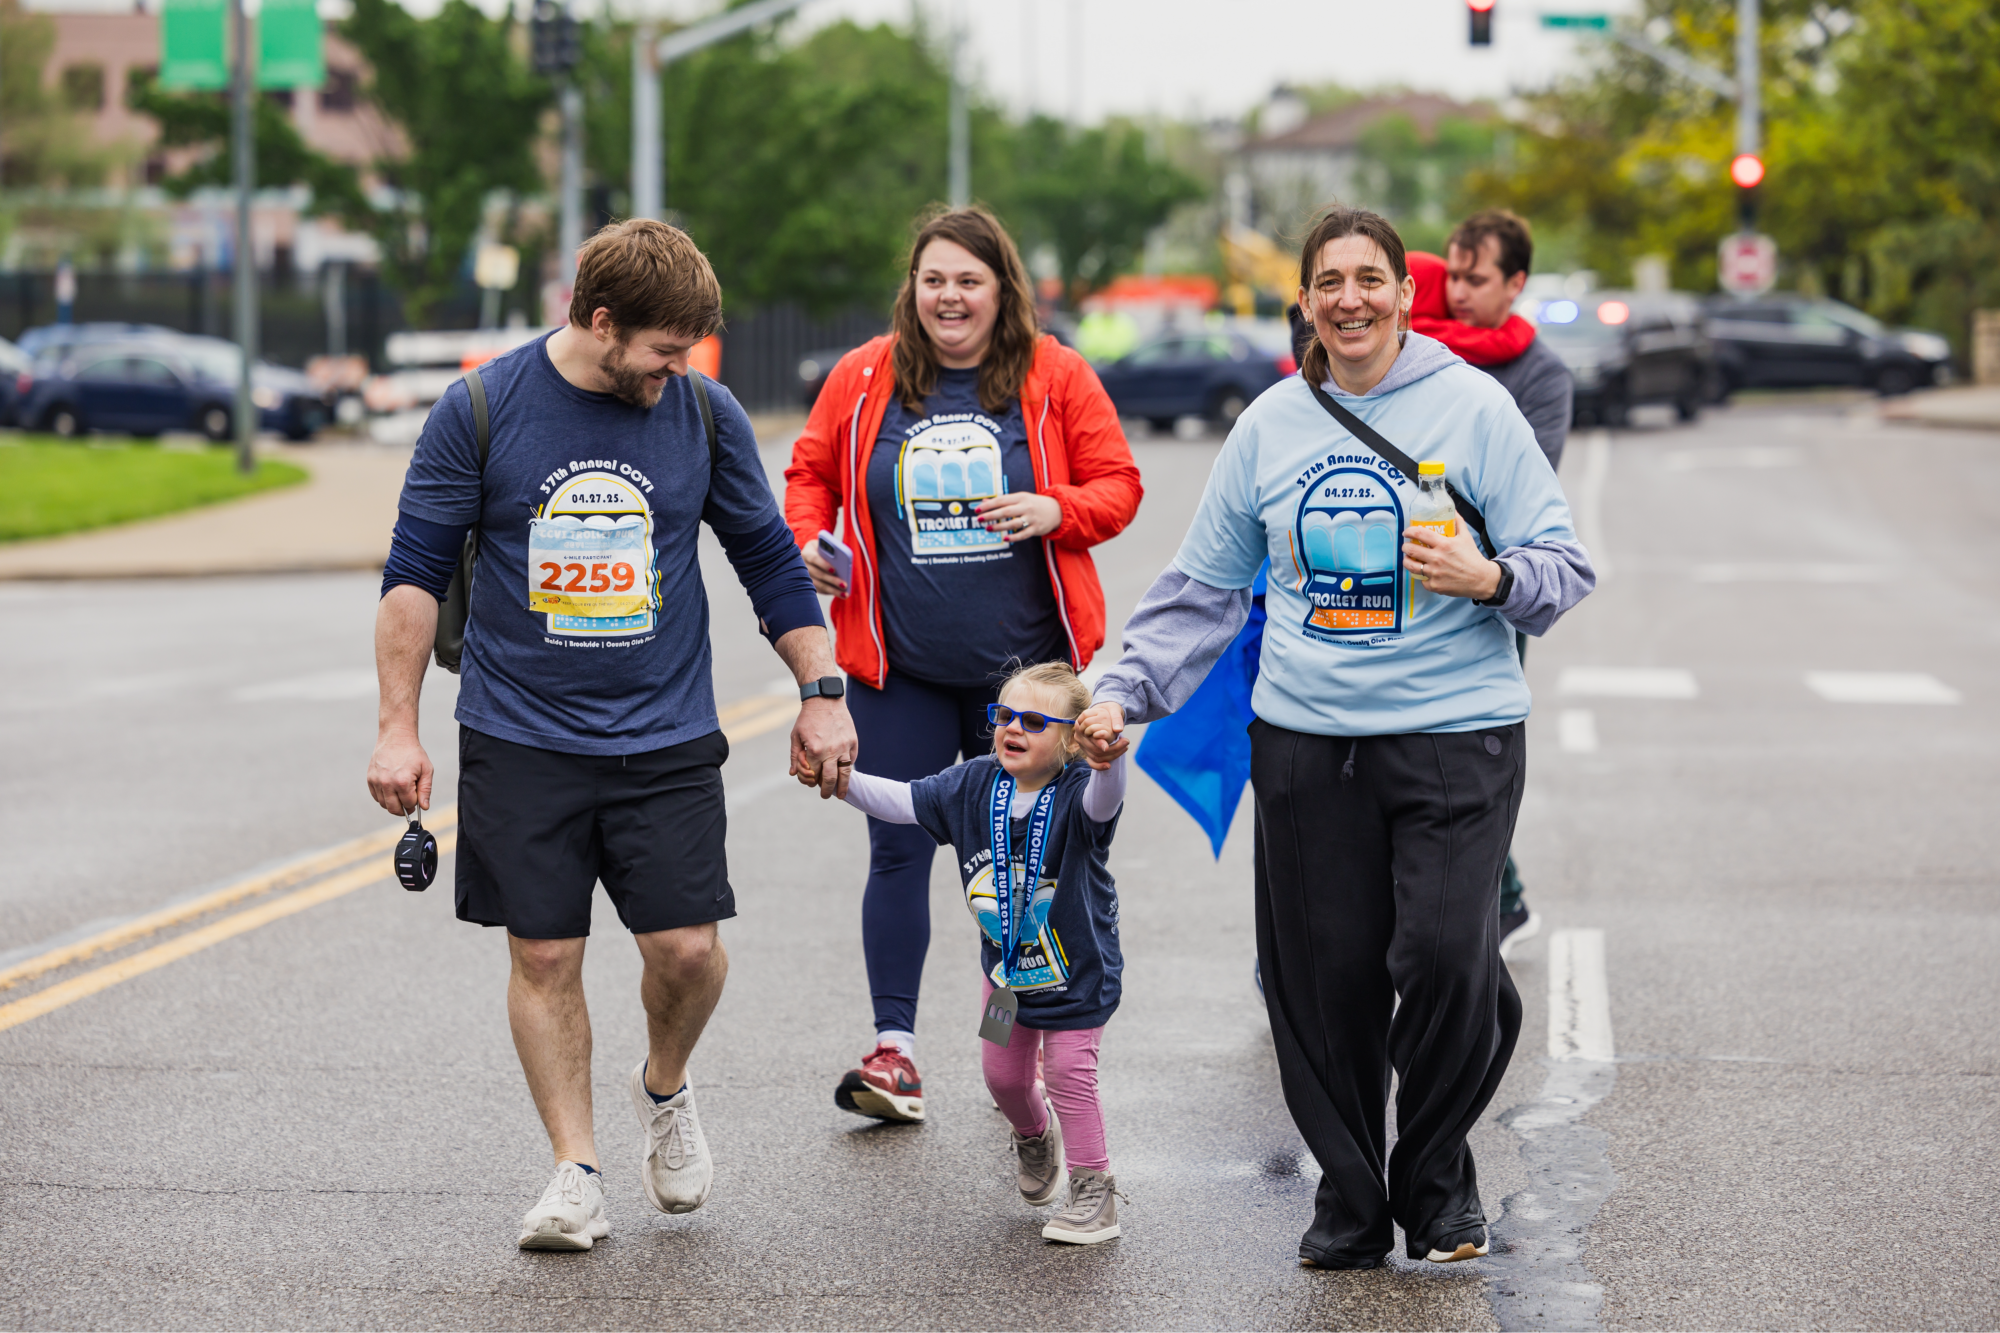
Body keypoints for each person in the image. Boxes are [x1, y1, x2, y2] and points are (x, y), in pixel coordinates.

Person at [1077, 205, 1594, 1269]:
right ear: (1303, 301)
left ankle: (1433, 1171)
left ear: (1407, 295)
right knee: (1326, 981)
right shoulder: (1268, 424)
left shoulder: (1475, 410)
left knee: (1450, 960)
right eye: (1330, 282)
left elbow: (1561, 566)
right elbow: (1203, 588)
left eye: (1371, 278)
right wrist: (1121, 691)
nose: (1350, 299)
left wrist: (1487, 577)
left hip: (1457, 733)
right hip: (1307, 744)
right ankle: (1355, 1199)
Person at [367, 219, 857, 1251]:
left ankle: (664, 1088)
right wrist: (397, 728)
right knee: (544, 951)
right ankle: (574, 1170)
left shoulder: (702, 414)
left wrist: (821, 687)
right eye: (662, 351)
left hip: (665, 733)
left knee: (687, 951)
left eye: (687, 353)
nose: (675, 371)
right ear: (597, 321)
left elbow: (766, 558)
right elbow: (413, 573)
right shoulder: (483, 409)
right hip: (519, 733)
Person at [784, 206, 1142, 1123]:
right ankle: (894, 1052)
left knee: (1028, 861)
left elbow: (1119, 485)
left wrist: (1055, 509)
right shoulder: (863, 378)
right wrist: (810, 546)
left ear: (1001, 290)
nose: (950, 296)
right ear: (913, 288)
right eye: (934, 279)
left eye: (969, 280)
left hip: (1020, 680)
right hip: (895, 663)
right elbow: (810, 475)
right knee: (897, 844)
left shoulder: (1054, 375)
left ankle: (1016, 1041)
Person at [832, 661, 1130, 1244]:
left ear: (1071, 739)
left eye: (1035, 722)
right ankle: (1034, 1135)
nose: (1013, 728)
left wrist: (1107, 763)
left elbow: (1104, 799)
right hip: (1007, 979)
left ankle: (1094, 1192)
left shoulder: (1078, 791)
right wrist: (841, 781)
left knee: (1070, 1073)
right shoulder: (972, 784)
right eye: (1005, 715)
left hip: (1077, 976)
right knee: (1001, 1077)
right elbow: (900, 801)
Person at [1437, 209, 1576, 958]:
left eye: (1477, 277)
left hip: (1495, 588)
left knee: (1476, 753)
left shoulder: (1540, 375)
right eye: (1452, 274)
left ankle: (1501, 897)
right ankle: (1503, 896)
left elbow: (1522, 489)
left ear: (1516, 283)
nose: (1459, 291)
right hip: (1416, 587)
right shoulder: (1420, 349)